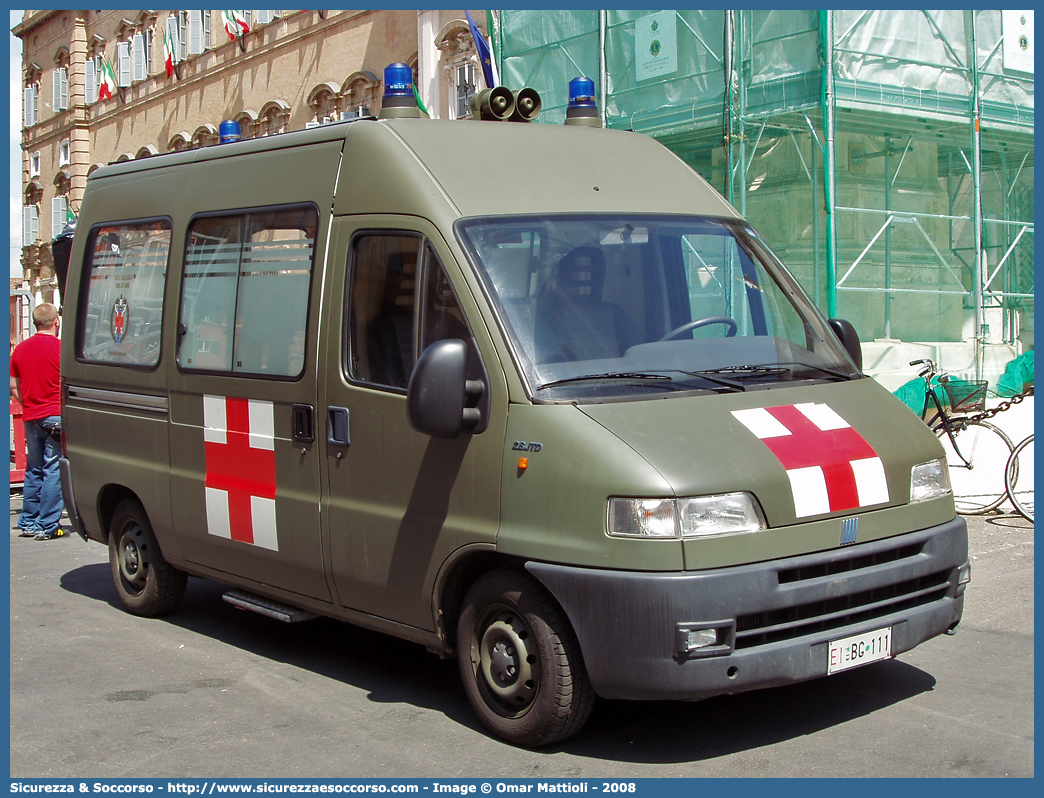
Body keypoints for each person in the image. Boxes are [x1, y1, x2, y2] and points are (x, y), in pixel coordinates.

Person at [10, 303, 65, 540]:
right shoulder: (62, 349)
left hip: (31, 415)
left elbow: (13, 385)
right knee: (54, 469)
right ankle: (47, 525)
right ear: (56, 322)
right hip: (55, 415)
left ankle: (28, 521)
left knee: (34, 469)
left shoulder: (20, 350)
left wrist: (27, 404)